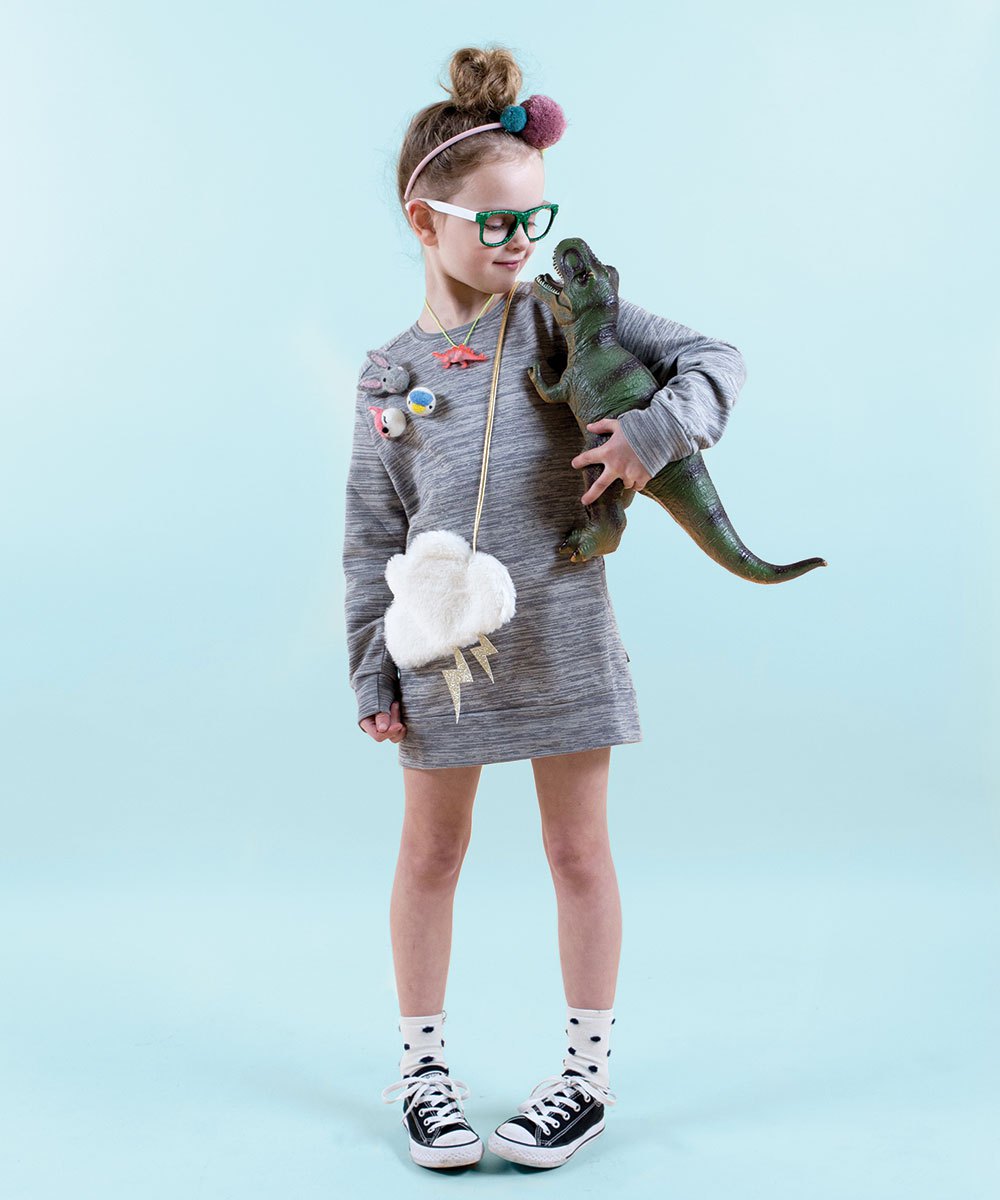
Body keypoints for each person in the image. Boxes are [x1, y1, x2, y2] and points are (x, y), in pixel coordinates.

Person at [342, 45, 747, 1172]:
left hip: (564, 635)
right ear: (425, 222)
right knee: (432, 854)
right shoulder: (387, 375)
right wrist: (372, 668)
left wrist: (653, 435)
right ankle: (423, 1068)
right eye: (496, 223)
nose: (520, 242)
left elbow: (714, 360)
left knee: (577, 852)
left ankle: (585, 1075)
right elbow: (371, 536)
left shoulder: (560, 320)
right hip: (446, 656)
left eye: (535, 219)